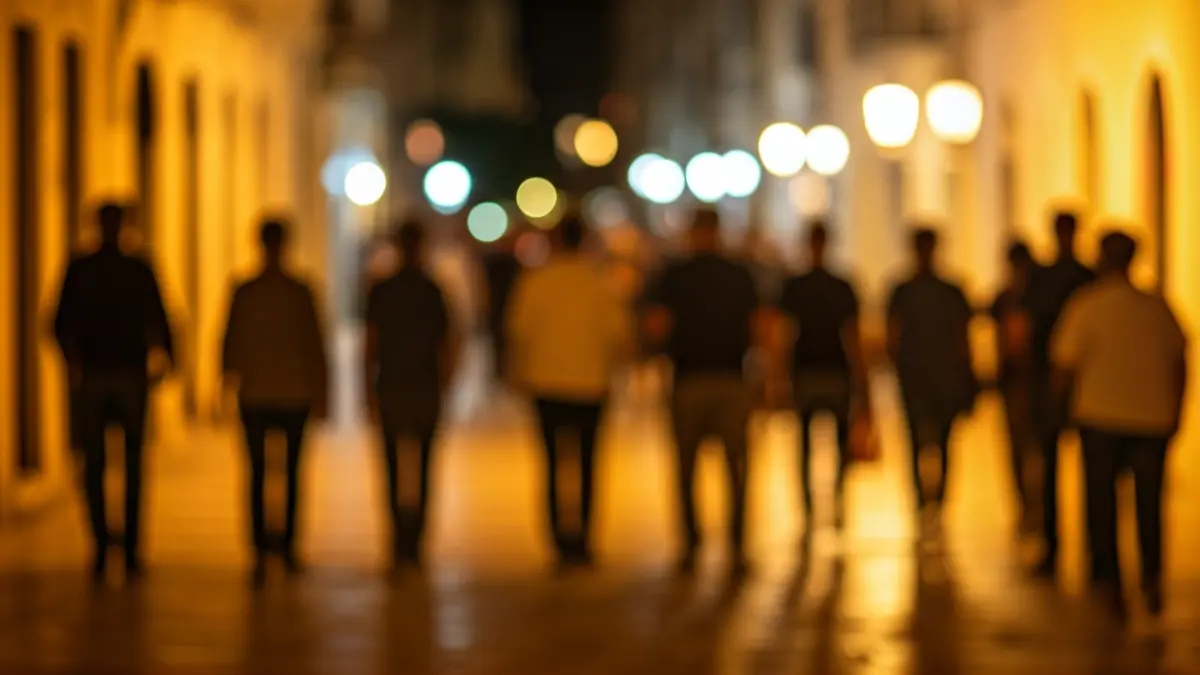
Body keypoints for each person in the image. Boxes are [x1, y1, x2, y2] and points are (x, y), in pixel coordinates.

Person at [1050, 231, 1186, 618]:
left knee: (1101, 502)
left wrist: (1060, 410)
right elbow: (1180, 361)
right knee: (1149, 503)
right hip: (1150, 418)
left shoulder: (1088, 306)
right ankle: (1150, 576)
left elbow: (1063, 364)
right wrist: (1176, 410)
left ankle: (1108, 578)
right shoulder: (1157, 307)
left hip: (1100, 417)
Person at [52, 201, 174, 582]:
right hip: (109, 374)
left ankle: (116, 546)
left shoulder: (117, 268)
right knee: (108, 463)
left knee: (114, 463)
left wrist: (164, 356)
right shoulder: (114, 268)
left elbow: (158, 315)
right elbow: (60, 321)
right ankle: (111, 545)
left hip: (114, 374)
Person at [506, 214, 634, 568]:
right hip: (590, 384)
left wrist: (517, 374)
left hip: (547, 384)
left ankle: (559, 539)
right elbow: (618, 336)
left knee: (551, 464)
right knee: (589, 464)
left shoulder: (536, 282)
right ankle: (584, 538)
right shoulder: (600, 282)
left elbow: (519, 332)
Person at [645, 208, 765, 575]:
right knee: (736, 467)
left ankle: (693, 544)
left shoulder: (674, 275)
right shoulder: (739, 274)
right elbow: (760, 326)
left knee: (687, 467)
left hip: (691, 379)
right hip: (728, 378)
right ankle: (736, 546)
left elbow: (656, 327)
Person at [221, 219, 329, 585]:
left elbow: (315, 343)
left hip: (284, 393)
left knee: (284, 475)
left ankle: (282, 546)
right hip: (264, 393)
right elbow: (230, 340)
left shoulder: (293, 291)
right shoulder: (254, 291)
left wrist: (321, 389)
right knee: (261, 475)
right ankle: (265, 548)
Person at [364, 220, 462, 571]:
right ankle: (415, 541)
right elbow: (448, 343)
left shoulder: (382, 289)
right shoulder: (432, 290)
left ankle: (398, 539)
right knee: (423, 465)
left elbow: (370, 344)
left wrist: (366, 389)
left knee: (392, 466)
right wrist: (447, 382)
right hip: (423, 387)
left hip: (392, 385)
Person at [775, 221, 869, 530]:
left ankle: (815, 506)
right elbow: (853, 337)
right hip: (827, 371)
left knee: (810, 444)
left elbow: (783, 336)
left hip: (814, 371)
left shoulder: (798, 286)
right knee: (822, 443)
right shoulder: (839, 286)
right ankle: (827, 503)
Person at [886, 228, 977, 518]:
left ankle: (934, 501)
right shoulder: (917, 290)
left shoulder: (916, 290)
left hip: (933, 376)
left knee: (937, 439)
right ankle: (929, 501)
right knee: (927, 439)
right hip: (923, 376)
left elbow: (963, 336)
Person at [1025, 211, 1096, 577]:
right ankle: (1070, 548)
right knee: (1072, 469)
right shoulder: (1083, 277)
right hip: (1066, 381)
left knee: (1067, 468)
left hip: (1064, 381)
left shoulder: (1053, 277)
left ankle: (1065, 548)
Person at [990, 242, 1039, 534]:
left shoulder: (1025, 298)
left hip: (1029, 382)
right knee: (1019, 448)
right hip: (1016, 381)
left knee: (1029, 447)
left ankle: (1031, 504)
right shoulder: (1006, 298)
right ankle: (1026, 503)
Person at [480, 233, 523, 382]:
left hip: (498, 311)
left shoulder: (490, 264)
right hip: (506, 310)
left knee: (498, 344)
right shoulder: (513, 265)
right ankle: (501, 373)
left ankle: (498, 373)